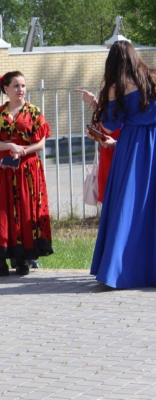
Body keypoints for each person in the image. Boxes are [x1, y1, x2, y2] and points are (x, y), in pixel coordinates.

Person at [89, 41, 156, 289]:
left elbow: (111, 126)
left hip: (133, 146)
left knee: (128, 206)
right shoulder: (152, 79)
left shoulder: (116, 87)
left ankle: (119, 270)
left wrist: (100, 109)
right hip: (154, 141)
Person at [0, 71, 53, 277]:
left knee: (25, 210)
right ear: (6, 89)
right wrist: (10, 145)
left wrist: (23, 150)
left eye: (23, 85)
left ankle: (23, 259)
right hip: (3, 169)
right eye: (16, 86)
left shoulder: (34, 112)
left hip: (27, 169)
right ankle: (0, 259)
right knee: (1, 211)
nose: (20, 90)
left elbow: (41, 142)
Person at [74, 88, 122, 203]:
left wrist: (93, 102)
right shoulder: (105, 106)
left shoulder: (125, 107)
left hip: (120, 157)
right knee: (107, 201)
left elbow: (109, 128)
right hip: (106, 158)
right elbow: (99, 127)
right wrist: (94, 133)